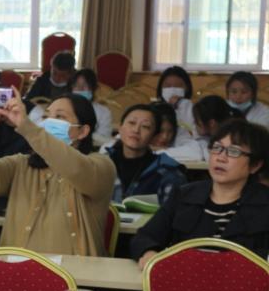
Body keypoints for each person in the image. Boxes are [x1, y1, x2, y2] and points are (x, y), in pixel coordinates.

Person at [0, 90, 114, 256]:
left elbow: (76, 168)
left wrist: (27, 127)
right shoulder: (22, 164)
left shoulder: (102, 166)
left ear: (83, 131)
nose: (49, 122)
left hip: (74, 269)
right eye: (46, 116)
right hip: (16, 267)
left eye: (60, 116)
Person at [131, 119, 269, 265]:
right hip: (184, 277)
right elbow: (144, 237)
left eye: (234, 151)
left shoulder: (265, 205)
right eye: (217, 148)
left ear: (255, 165)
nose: (221, 157)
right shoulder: (184, 195)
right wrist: (149, 253)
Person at [103, 104, 186, 205]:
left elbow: (174, 212)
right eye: (132, 123)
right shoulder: (102, 164)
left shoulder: (167, 173)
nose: (136, 130)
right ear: (120, 128)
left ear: (154, 136)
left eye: (145, 127)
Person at [163, 95, 236, 164]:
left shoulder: (228, 140)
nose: (194, 125)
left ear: (211, 123)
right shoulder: (212, 136)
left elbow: (198, 153)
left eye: (197, 122)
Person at [70, 69, 112, 140]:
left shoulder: (104, 112)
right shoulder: (64, 107)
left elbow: (104, 138)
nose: (80, 89)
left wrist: (81, 135)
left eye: (85, 85)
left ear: (93, 88)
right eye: (76, 85)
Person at [156, 65, 196, 136]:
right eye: (168, 86)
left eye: (178, 86)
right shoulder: (154, 109)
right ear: (161, 88)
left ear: (187, 88)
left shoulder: (194, 110)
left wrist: (182, 105)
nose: (172, 89)